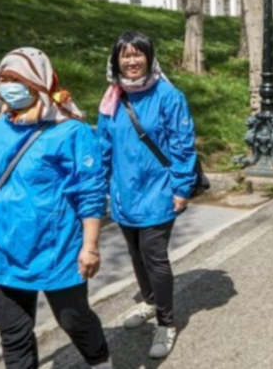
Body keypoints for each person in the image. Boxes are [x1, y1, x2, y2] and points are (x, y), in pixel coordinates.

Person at [0, 48, 111, 369]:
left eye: (17, 79)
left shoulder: (70, 132)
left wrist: (90, 246)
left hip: (58, 250)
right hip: (4, 252)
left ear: (38, 82)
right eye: (4, 78)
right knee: (13, 335)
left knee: (73, 320)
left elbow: (90, 192)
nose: (9, 86)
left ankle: (100, 360)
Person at [97, 31, 198, 359]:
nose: (132, 61)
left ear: (149, 58)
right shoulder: (112, 98)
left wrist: (181, 187)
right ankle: (150, 301)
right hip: (124, 193)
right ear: (116, 61)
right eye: (125, 55)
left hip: (159, 191)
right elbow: (103, 147)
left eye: (138, 54)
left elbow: (183, 144)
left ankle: (166, 323)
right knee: (136, 253)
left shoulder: (168, 95)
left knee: (154, 256)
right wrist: (101, 187)